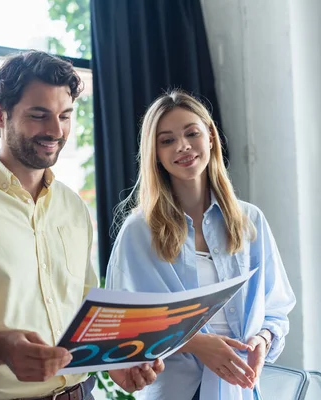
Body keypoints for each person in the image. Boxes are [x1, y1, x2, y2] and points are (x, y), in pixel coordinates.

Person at [0, 50, 163, 400]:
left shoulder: (72, 205)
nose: (56, 130)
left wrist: (115, 359)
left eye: (65, 116)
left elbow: (85, 311)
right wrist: (1, 347)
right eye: (39, 115)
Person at [105, 90, 296, 400]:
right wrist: (196, 344)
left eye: (191, 133)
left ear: (210, 137)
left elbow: (276, 308)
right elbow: (124, 322)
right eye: (166, 140)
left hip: (240, 390)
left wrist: (262, 339)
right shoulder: (138, 231)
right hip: (174, 391)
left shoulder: (251, 220)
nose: (182, 146)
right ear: (155, 153)